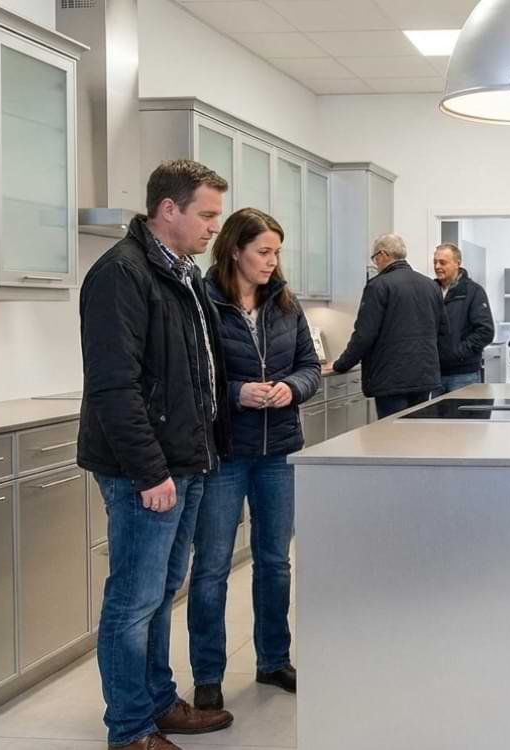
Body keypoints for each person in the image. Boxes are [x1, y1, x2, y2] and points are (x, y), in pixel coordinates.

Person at [77, 160, 234, 750]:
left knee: (163, 592)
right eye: (207, 214)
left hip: (185, 462)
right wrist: (150, 471)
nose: (214, 226)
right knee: (133, 601)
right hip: (146, 471)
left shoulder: (183, 274)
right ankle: (130, 729)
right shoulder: (122, 273)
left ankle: (159, 702)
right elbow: (114, 386)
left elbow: (195, 373)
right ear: (168, 209)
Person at [187, 208, 321, 712]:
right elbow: (192, 376)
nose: (271, 261)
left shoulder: (285, 303)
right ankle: (207, 675)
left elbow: (310, 367)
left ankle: (273, 661)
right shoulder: (203, 302)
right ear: (235, 250)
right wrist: (237, 393)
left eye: (276, 253)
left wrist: (291, 388)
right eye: (263, 251)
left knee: (274, 563)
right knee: (211, 568)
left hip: (279, 452)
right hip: (224, 453)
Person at [332, 233, 448, 418]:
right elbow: (443, 331)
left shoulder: (378, 286)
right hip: (424, 377)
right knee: (419, 432)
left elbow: (364, 335)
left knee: (391, 433)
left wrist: (341, 364)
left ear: (383, 254)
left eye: (375, 258)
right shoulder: (431, 286)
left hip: (390, 380)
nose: (375, 263)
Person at [432, 242, 494, 395]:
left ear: (457, 263)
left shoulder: (473, 292)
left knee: (463, 411)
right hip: (434, 374)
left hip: (463, 374)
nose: (437, 266)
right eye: (435, 262)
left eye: (443, 262)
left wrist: (458, 353)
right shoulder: (430, 290)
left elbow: (485, 331)